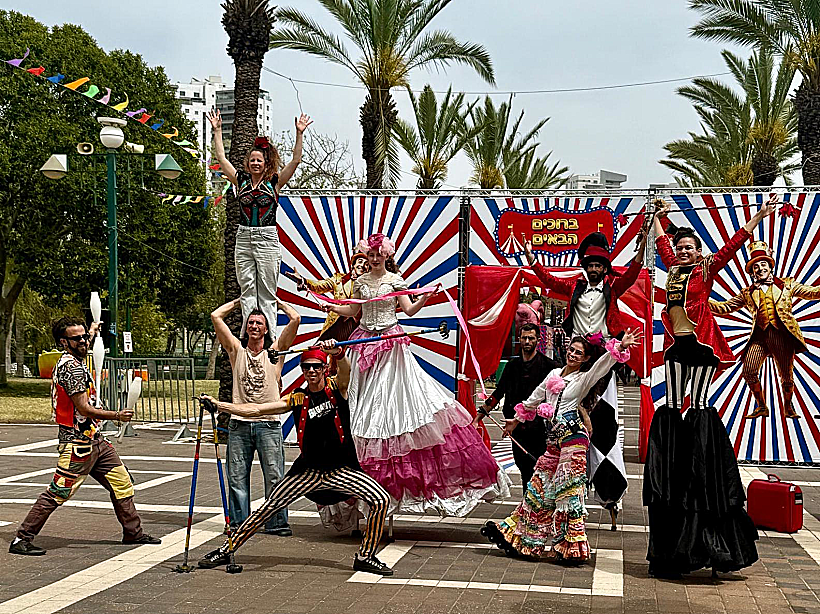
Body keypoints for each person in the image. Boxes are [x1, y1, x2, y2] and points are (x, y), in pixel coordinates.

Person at [322, 232, 511, 516]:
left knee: (394, 410)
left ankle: (391, 484)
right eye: (369, 255)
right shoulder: (360, 283)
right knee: (361, 413)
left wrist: (424, 297)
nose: (373, 260)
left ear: (386, 256)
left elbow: (408, 310)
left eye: (378, 255)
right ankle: (364, 485)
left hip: (390, 346)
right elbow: (354, 310)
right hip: (364, 346)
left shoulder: (396, 281)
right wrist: (331, 306)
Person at [643, 198, 774, 579]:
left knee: (697, 407)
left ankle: (696, 433)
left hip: (702, 348)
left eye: (689, 248)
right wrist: (656, 216)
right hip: (677, 348)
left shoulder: (705, 269)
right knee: (674, 406)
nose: (683, 252)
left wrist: (758, 219)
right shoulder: (672, 270)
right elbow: (661, 239)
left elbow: (733, 244)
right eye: (680, 249)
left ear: (699, 252)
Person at [198, 341, 394, 576]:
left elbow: (346, 370)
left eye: (316, 367)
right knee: (268, 508)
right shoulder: (297, 398)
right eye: (306, 367)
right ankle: (226, 549)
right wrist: (220, 405)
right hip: (307, 472)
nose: (311, 371)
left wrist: (337, 352)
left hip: (340, 470)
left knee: (380, 499)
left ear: (324, 369)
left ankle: (365, 556)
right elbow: (258, 410)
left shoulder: (337, 390)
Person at [482, 330, 640, 562]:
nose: (573, 355)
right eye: (571, 350)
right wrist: (516, 420)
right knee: (538, 489)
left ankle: (571, 548)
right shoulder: (554, 374)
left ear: (586, 358)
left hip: (574, 440)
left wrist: (621, 348)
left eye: (579, 353)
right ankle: (527, 541)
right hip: (554, 441)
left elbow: (603, 366)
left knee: (568, 493)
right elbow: (535, 398)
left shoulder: (584, 377)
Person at [524, 229, 647, 526]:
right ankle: (556, 485)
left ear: (604, 268)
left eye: (598, 266)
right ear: (585, 265)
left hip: (603, 355)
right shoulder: (575, 286)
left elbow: (632, 271)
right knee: (565, 410)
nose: (593, 270)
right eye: (590, 265)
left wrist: (642, 247)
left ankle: (609, 489)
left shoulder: (613, 286)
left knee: (603, 421)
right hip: (577, 351)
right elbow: (549, 281)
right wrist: (530, 257)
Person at [9, 317, 161, 555]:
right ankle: (21, 539)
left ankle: (133, 533)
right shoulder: (71, 368)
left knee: (122, 483)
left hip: (96, 441)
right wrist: (116, 415)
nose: (83, 341)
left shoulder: (76, 359)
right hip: (77, 443)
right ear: (64, 342)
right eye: (76, 338)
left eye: (84, 337)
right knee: (59, 491)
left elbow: (85, 342)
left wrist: (92, 329)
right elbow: (84, 409)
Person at [207, 108, 312, 334]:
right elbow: (221, 159)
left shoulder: (274, 182)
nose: (255, 163)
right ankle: (248, 333)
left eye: (259, 160)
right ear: (248, 163)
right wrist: (217, 130)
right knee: (247, 288)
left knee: (266, 289)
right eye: (252, 160)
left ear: (266, 163)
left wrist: (299, 133)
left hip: (266, 238)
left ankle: (271, 335)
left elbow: (295, 161)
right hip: (244, 235)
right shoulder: (240, 180)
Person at [211, 297, 300, 536]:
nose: (254, 326)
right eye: (251, 323)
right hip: (240, 424)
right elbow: (216, 317)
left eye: (259, 323)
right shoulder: (236, 352)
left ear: (266, 328)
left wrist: (276, 301)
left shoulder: (275, 353)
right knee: (237, 477)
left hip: (268, 425)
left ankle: (277, 523)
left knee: (275, 476)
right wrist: (240, 302)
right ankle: (240, 523)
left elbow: (296, 319)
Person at [710, 239, 820, 420]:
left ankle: (788, 406)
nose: (760, 268)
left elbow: (812, 293)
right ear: (752, 272)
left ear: (770, 266)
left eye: (763, 264)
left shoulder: (787, 284)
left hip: (782, 335)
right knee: (749, 370)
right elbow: (726, 307)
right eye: (755, 266)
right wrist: (701, 300)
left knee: (786, 375)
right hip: (759, 336)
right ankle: (761, 406)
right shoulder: (747, 292)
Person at [472, 323, 560, 487]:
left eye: (531, 338)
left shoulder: (550, 367)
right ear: (519, 340)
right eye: (524, 338)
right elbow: (498, 393)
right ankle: (528, 504)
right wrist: (480, 415)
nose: (527, 341)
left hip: (540, 428)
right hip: (516, 427)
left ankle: (538, 505)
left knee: (540, 466)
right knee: (523, 466)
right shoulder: (512, 366)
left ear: (537, 340)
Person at [291, 251, 370, 342]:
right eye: (360, 261)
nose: (362, 265)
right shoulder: (338, 279)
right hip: (334, 323)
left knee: (343, 354)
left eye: (367, 264)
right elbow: (319, 286)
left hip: (355, 328)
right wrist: (303, 280)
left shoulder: (368, 286)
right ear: (353, 264)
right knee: (318, 351)